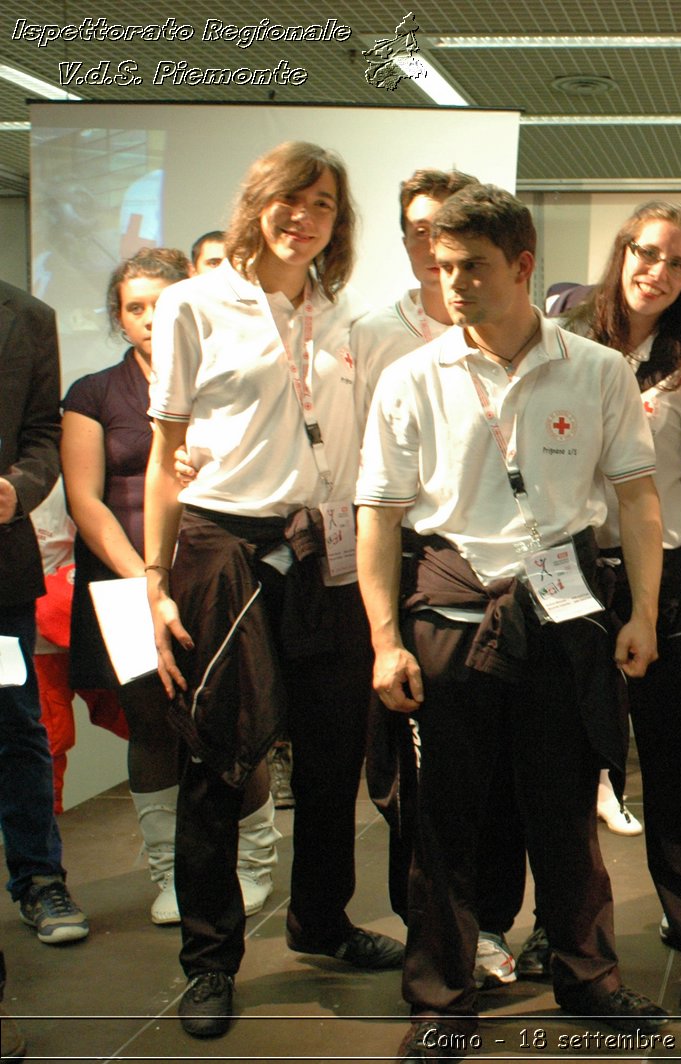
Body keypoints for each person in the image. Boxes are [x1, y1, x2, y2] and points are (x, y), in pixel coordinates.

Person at [354, 183, 670, 1059]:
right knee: (446, 822)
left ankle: (588, 978)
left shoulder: (598, 370)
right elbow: (378, 515)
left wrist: (641, 611)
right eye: (441, 266)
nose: (451, 283)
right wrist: (384, 640)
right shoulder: (412, 377)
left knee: (566, 814)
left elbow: (638, 502)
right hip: (451, 616)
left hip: (567, 616)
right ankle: (442, 999)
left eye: (472, 267)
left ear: (523, 264)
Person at [145, 141, 403, 1039]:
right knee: (221, 759)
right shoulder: (193, 303)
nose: (306, 216)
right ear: (259, 203)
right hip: (224, 547)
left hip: (324, 544)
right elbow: (164, 454)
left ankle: (322, 922)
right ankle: (210, 961)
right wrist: (154, 577)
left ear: (339, 223)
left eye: (325, 204)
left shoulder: (348, 321)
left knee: (333, 755)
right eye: (293, 198)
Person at [344, 167, 532, 989]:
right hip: (438, 588)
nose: (443, 264)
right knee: (435, 805)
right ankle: (441, 970)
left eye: (462, 253)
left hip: (538, 596)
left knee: (528, 800)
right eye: (426, 240)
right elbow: (377, 507)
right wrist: (386, 637)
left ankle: (500, 933)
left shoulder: (569, 357)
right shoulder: (392, 351)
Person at [564, 200, 681, 1018]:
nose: (659, 273)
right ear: (622, 252)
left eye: (678, 264)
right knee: (567, 768)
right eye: (648, 254)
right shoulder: (564, 342)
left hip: (672, 575)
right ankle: (566, 934)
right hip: (573, 573)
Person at [62, 248, 281, 926]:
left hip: (217, 576)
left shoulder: (224, 376)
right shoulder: (93, 393)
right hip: (127, 586)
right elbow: (87, 500)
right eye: (135, 308)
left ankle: (253, 866)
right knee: (151, 727)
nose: (152, 319)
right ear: (120, 319)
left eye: (162, 302)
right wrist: (148, 579)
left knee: (235, 720)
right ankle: (168, 877)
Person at [0, 279, 88, 948]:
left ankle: (38, 878)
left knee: (13, 719)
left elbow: (42, 436)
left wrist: (17, 489)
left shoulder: (27, 317)